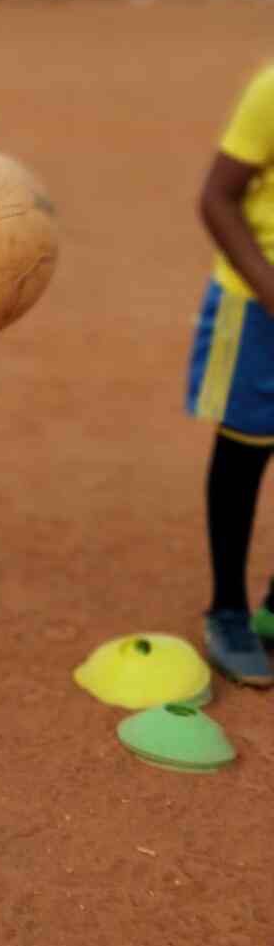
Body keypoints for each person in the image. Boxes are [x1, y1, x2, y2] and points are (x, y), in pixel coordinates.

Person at [190, 60, 274, 685]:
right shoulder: (272, 89)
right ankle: (227, 610)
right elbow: (216, 198)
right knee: (245, 452)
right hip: (255, 305)